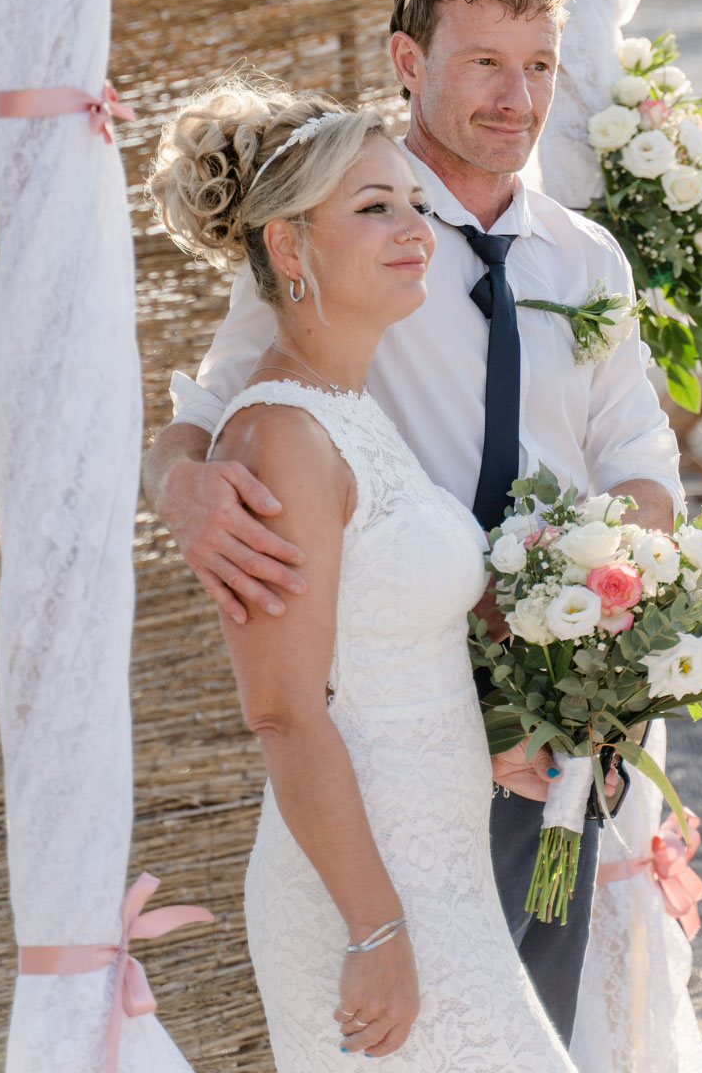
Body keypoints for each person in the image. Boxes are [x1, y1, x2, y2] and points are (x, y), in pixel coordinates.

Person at [144, 0, 686, 1048]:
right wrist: (181, 486)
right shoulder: (342, 234)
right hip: (397, 711)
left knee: (534, 1013)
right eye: (481, 61)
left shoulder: (586, 261)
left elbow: (637, 457)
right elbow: (218, 415)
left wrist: (593, 614)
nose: (515, 98)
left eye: (537, 66)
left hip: (550, 725)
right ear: (408, 62)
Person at [146, 79, 575, 1069]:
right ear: (291, 250)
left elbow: (384, 642)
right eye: (374, 208)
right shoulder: (279, 438)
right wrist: (375, 933)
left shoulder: (346, 405)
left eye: (415, 205)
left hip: (441, 872)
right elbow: (284, 711)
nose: (414, 229)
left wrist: (489, 742)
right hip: (360, 894)